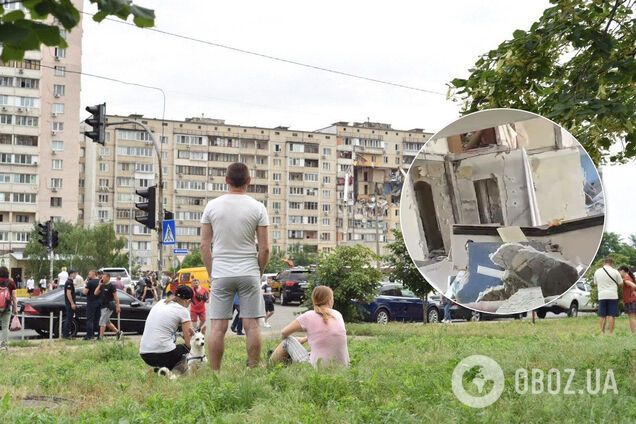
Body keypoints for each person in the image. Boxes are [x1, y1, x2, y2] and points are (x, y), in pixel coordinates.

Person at [200, 162, 270, 371]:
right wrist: (258, 272)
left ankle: (215, 374)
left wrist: (213, 273)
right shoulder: (258, 207)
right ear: (249, 181)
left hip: (221, 272)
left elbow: (204, 245)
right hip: (249, 271)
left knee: (218, 328)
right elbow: (265, 249)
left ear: (226, 180)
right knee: (252, 326)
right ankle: (252, 370)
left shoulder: (211, 206)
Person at [270, 286, 349, 368]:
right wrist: (304, 339)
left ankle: (270, 364)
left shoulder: (309, 315)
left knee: (287, 341)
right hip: (342, 368)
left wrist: (298, 340)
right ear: (329, 299)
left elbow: (284, 332)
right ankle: (287, 361)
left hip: (315, 369)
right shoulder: (337, 314)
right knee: (312, 351)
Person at [139, 286, 193, 371]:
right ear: (188, 301)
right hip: (163, 354)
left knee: (171, 347)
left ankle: (161, 370)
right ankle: (178, 373)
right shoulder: (183, 311)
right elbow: (189, 342)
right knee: (188, 348)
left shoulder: (160, 302)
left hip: (145, 354)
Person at [593, 258, 623, 335]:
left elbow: (595, 283)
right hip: (612, 295)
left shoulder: (597, 271)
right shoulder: (615, 271)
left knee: (602, 315)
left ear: (603, 263)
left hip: (602, 295)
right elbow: (620, 283)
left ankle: (602, 332)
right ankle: (610, 333)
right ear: (611, 263)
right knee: (611, 315)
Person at [94, 272, 123, 340]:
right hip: (102, 306)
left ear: (108, 277)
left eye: (103, 277)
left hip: (108, 306)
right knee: (107, 322)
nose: (102, 278)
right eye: (102, 277)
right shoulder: (102, 285)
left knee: (102, 321)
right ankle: (118, 332)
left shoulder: (111, 286)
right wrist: (99, 285)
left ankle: (100, 338)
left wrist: (118, 306)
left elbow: (116, 297)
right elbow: (95, 293)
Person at [0, 267, 18, 350]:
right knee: (5, 327)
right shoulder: (11, 282)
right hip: (6, 307)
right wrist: (15, 307)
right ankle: (3, 346)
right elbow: (14, 296)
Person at [82, 270, 101, 340]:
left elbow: (84, 292)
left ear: (93, 274)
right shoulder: (100, 282)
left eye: (89, 274)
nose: (88, 275)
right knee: (98, 319)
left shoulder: (90, 282)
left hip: (91, 302)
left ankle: (89, 335)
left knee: (90, 320)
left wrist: (85, 284)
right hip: (99, 302)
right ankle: (99, 335)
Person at [618, 266, 636, 334]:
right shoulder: (630, 277)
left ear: (622, 271)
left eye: (619, 271)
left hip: (630, 301)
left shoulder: (626, 279)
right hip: (632, 300)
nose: (619, 273)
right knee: (633, 317)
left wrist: (632, 291)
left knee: (632, 317)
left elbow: (634, 286)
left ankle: (634, 333)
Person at [62, 269, 78, 339]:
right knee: (69, 319)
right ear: (71, 274)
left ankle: (66, 334)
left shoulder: (70, 282)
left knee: (70, 319)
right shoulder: (69, 282)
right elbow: (68, 294)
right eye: (75, 274)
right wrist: (72, 303)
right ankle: (66, 335)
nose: (75, 275)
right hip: (69, 304)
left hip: (69, 303)